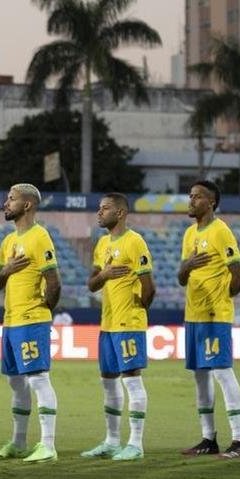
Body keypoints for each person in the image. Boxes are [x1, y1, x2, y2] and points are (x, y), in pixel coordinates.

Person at [0, 183, 61, 464]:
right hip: (10, 320)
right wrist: (6, 270)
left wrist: (42, 311)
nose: (6, 203)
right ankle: (19, 443)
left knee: (39, 379)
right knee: (16, 382)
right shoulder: (8, 242)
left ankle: (48, 444)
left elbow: (55, 282)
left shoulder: (39, 236)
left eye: (12, 199)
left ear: (27, 205)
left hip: (31, 320)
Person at [178, 179, 240, 459]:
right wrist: (188, 265)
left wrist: (221, 300)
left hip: (213, 316)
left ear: (211, 202)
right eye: (190, 196)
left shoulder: (221, 232)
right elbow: (182, 277)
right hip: (192, 315)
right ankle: (209, 438)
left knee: (222, 372)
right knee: (200, 377)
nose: (191, 201)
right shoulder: (189, 234)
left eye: (197, 197)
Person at [80, 193, 155, 462]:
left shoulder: (135, 242)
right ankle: (112, 441)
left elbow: (149, 287)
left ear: (121, 213)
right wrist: (105, 275)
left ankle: (135, 444)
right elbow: (91, 284)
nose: (100, 213)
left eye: (105, 208)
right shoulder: (102, 244)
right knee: (108, 381)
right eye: (99, 208)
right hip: (108, 323)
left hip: (127, 324)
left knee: (132, 381)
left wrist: (136, 314)